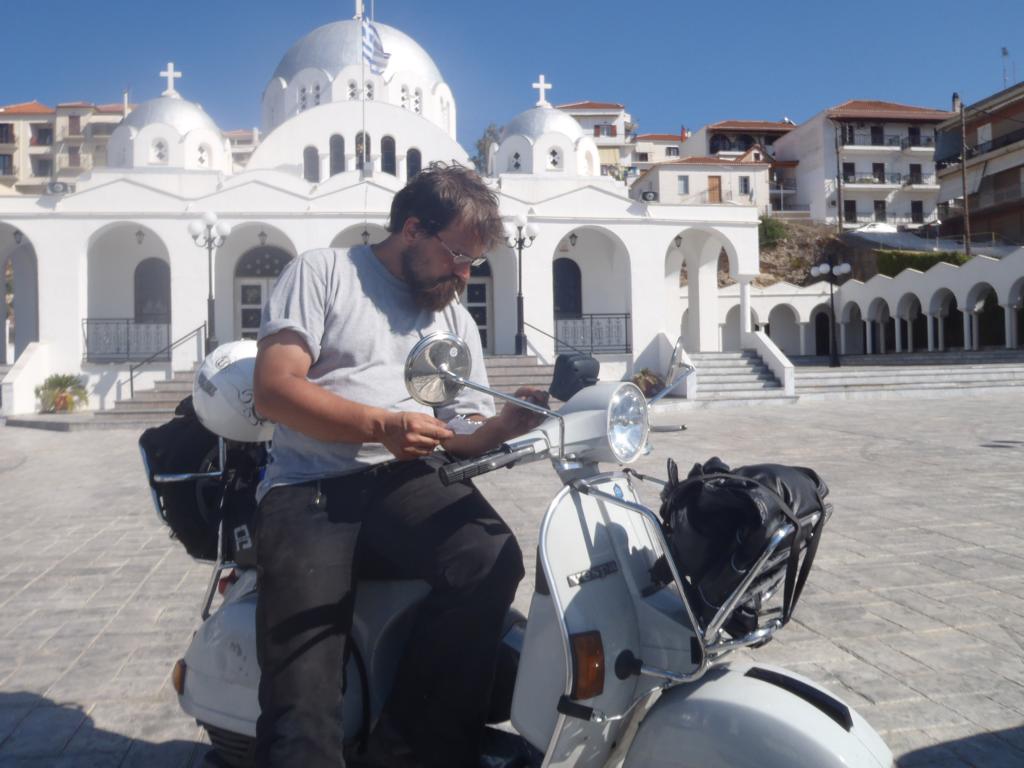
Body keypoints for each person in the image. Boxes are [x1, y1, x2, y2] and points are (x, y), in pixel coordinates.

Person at [251, 163, 546, 768]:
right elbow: (274, 390)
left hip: (406, 480)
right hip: (310, 486)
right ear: (412, 229)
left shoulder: (453, 316)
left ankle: (410, 751)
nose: (464, 275)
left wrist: (497, 429)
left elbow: (460, 428)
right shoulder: (323, 272)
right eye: (458, 256)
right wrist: (380, 426)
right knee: (304, 674)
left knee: (489, 558)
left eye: (474, 263)